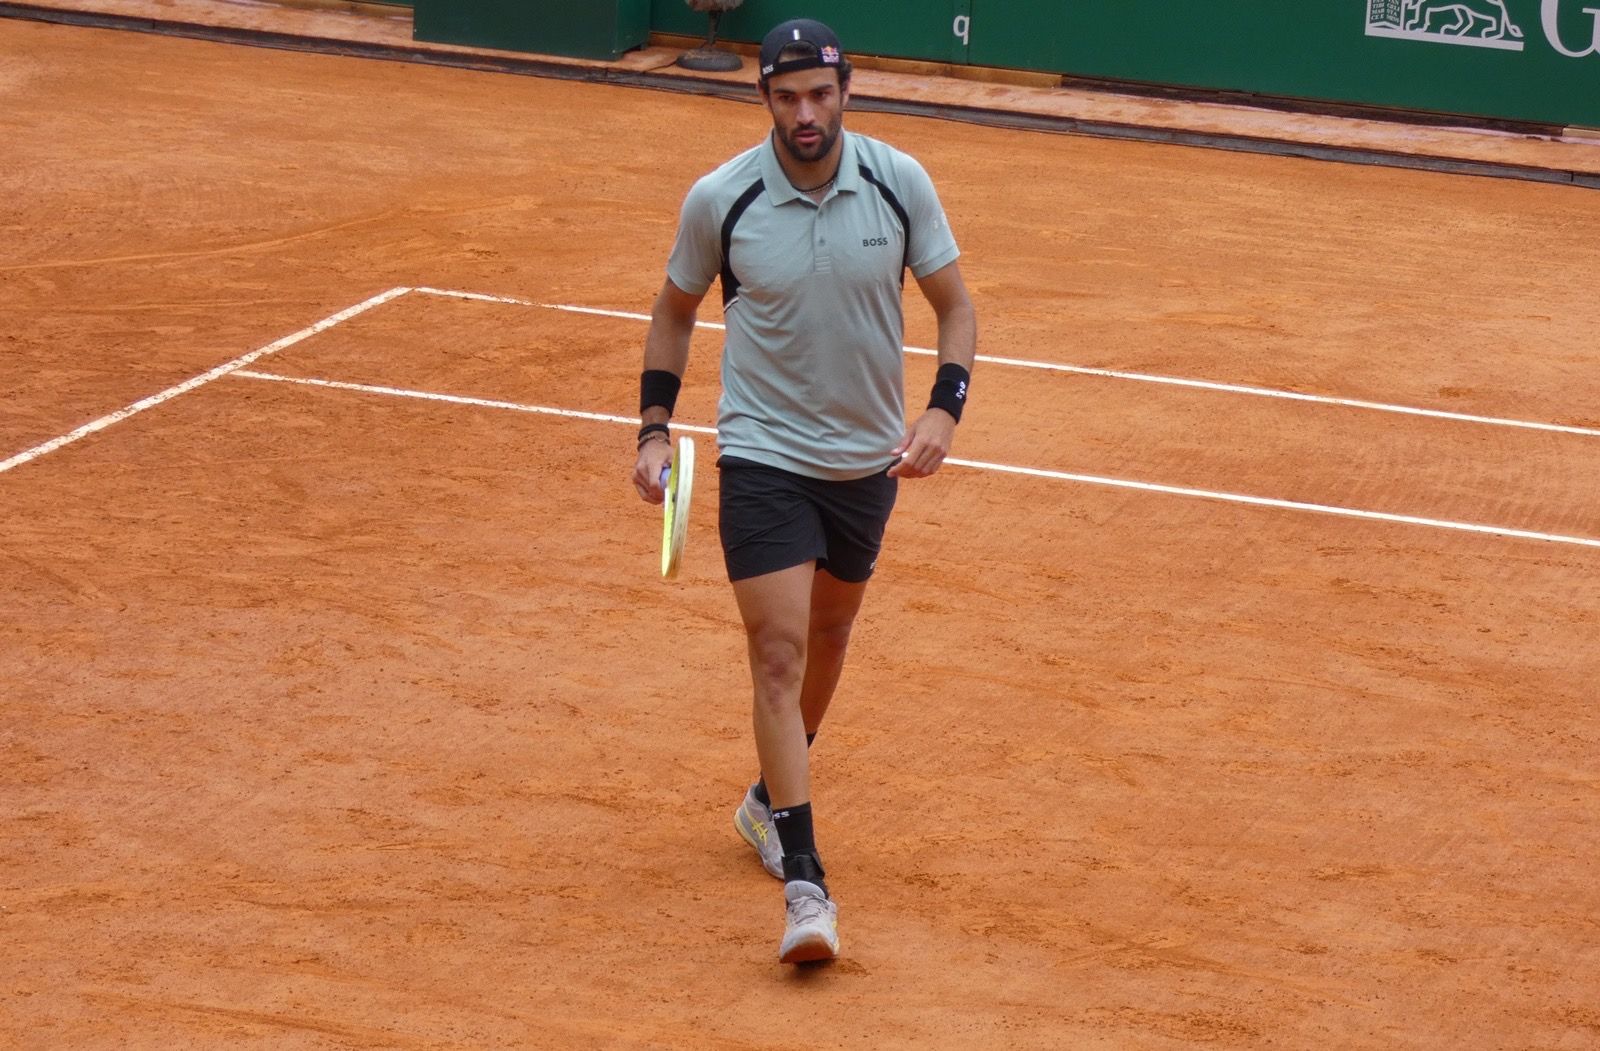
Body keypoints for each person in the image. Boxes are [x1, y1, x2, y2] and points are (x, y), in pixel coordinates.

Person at [631, 17, 977, 964]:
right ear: (766, 102)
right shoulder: (723, 198)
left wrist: (944, 410)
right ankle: (807, 885)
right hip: (762, 453)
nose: (806, 114)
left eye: (820, 95)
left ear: (845, 92)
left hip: (867, 461)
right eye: (786, 98)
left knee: (829, 637)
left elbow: (956, 307)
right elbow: (673, 313)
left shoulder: (900, 183)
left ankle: (761, 802)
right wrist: (655, 428)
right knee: (778, 653)